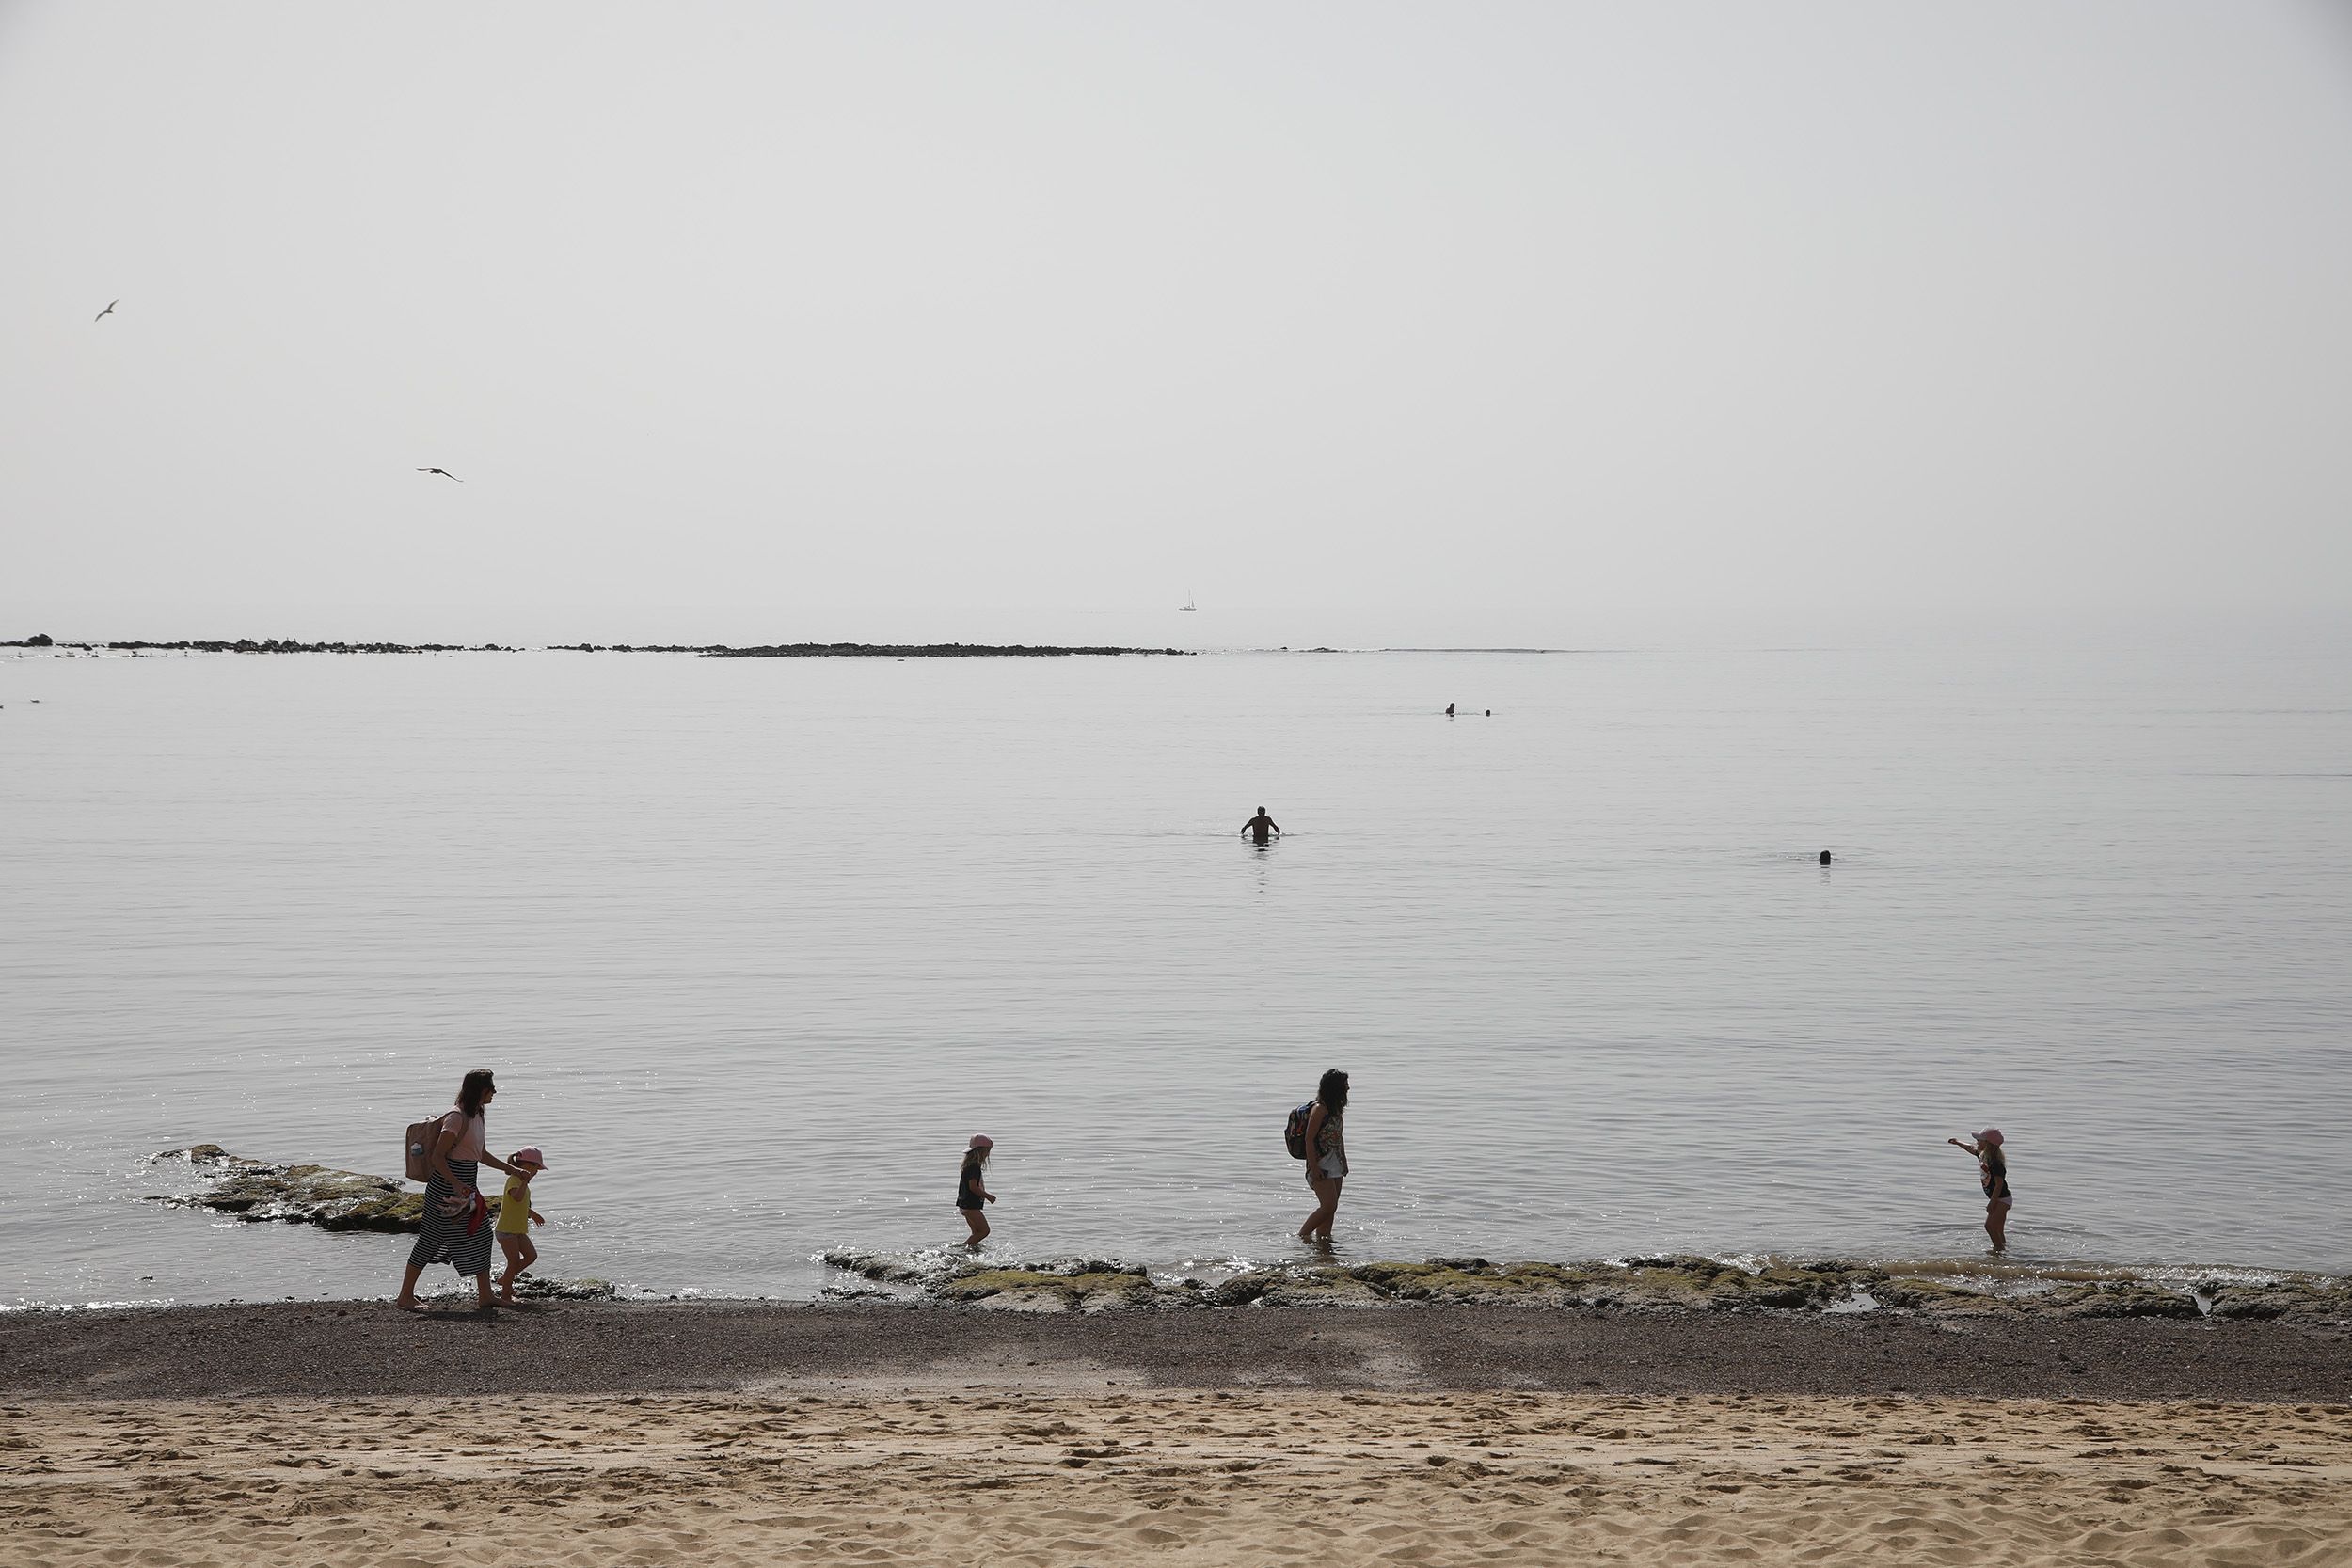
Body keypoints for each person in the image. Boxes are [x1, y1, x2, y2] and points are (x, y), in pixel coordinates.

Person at [395, 1069, 528, 1312]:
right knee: (430, 1240)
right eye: (491, 1088)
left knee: (482, 1235)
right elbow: (437, 1157)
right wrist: (456, 1184)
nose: (495, 1092)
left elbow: (482, 1155)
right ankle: (405, 1295)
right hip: (446, 1189)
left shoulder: (478, 1114)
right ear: (479, 1090)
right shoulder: (456, 1118)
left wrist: (513, 1170)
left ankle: (485, 1295)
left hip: (467, 1186)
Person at [1296, 1069, 1349, 1243]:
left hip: (1335, 1164)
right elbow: (1309, 1139)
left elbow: (1338, 1137)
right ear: (1335, 1087)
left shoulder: (1336, 1110)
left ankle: (1324, 1246)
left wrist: (1344, 1161)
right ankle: (1302, 1237)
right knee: (1328, 1206)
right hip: (1320, 1164)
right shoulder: (1320, 1109)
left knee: (1330, 1209)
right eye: (1345, 1084)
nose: (1348, 1088)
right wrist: (1314, 1167)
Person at [494, 1147, 548, 1304]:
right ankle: (505, 1295)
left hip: (517, 1229)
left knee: (531, 1256)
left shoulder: (522, 1182)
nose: (536, 1173)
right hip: (506, 1229)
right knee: (514, 1262)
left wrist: (533, 1213)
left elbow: (521, 1204)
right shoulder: (514, 1180)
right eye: (536, 1169)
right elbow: (517, 1197)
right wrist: (524, 1181)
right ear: (527, 1166)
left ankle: (505, 1279)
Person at [1947, 1129, 2012, 1252]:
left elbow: (1999, 1184)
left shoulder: (1995, 1162)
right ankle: (2004, 1252)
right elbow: (1971, 1148)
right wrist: (1958, 1142)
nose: (1976, 1142)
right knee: (1998, 1229)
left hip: (2002, 1199)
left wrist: (1992, 1203)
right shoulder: (1983, 1155)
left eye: (1979, 1140)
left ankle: (1998, 1251)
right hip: (2000, 1198)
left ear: (1988, 1144)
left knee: (1989, 1226)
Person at [957, 1135, 996, 1245]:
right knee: (984, 1231)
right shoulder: (974, 1167)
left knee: (976, 1233)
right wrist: (988, 1196)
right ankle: (963, 1250)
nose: (988, 1154)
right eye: (987, 1151)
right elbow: (973, 1187)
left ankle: (972, 1252)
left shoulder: (969, 1166)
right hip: (970, 1205)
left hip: (964, 1205)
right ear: (980, 1152)